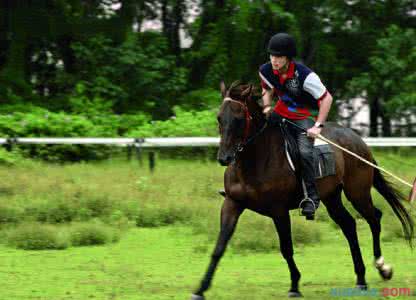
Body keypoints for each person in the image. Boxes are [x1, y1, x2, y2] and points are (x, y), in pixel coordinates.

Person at [259, 32, 333, 220]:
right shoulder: (266, 70)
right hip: (279, 113)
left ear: (288, 57)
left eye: (279, 57)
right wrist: (267, 105)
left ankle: (311, 198)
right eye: (272, 56)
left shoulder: (306, 76)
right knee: (255, 136)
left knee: (304, 153)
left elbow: (327, 99)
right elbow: (266, 89)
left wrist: (318, 126)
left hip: (303, 117)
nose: (274, 60)